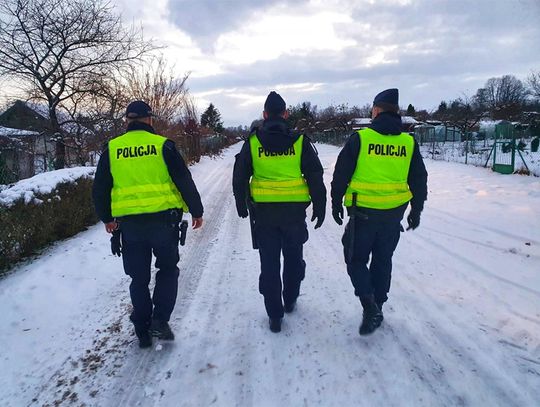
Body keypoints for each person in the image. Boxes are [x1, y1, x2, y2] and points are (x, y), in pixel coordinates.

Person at [92, 101, 204, 348]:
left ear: (127, 121)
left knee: (138, 279)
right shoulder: (163, 146)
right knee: (167, 270)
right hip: (163, 224)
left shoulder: (112, 149)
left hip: (130, 227)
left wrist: (107, 218)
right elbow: (183, 179)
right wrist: (196, 210)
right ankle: (160, 322)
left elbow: (100, 187)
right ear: (150, 120)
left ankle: (142, 328)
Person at [331, 88, 427, 335]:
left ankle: (369, 304)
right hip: (392, 216)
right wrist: (416, 209)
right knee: (383, 261)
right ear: (396, 112)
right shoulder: (408, 142)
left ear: (375, 110)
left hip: (363, 216)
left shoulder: (360, 139)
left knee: (355, 260)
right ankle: (378, 306)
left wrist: (335, 201)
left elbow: (341, 174)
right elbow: (419, 179)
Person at [233, 91, 326, 333]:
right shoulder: (299, 142)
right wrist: (320, 203)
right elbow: (315, 175)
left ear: (264, 115)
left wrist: (241, 203)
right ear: (286, 114)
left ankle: (275, 316)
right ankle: (291, 298)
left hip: (264, 216)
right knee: (294, 259)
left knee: (270, 264)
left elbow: (240, 176)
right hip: (294, 215)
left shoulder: (252, 143)